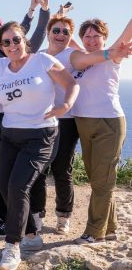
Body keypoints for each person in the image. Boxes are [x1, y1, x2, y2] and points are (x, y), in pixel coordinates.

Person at [0, 21, 79, 269]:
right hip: (10, 135)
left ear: (25, 41)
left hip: (40, 135)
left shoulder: (42, 61)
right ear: (1, 46)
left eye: (16, 40)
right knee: (4, 186)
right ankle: (33, 236)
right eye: (6, 42)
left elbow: (71, 84)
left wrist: (65, 106)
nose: (12, 45)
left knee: (17, 186)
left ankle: (12, 246)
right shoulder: (0, 68)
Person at [70, 18, 132, 244]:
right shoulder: (81, 59)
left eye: (97, 36)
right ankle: (110, 226)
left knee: (102, 181)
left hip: (109, 123)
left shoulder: (113, 54)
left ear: (104, 38)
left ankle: (94, 231)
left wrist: (117, 47)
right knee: (98, 179)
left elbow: (127, 32)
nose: (92, 40)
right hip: (84, 123)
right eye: (87, 36)